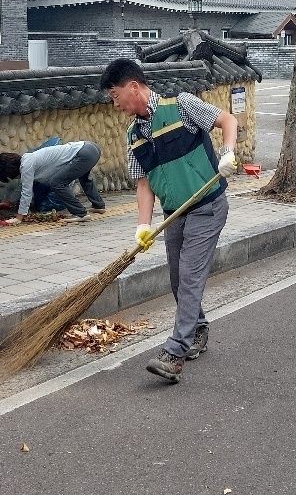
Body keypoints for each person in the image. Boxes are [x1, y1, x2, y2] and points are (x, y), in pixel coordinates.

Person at [100, 58, 238, 383]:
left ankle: (175, 353)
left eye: (115, 94)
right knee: (177, 279)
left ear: (133, 87)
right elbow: (144, 184)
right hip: (174, 213)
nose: (114, 103)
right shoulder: (133, 136)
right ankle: (199, 329)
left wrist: (229, 152)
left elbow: (227, 120)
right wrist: (142, 225)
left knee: (190, 276)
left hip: (207, 205)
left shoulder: (182, 106)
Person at [0, 141, 106, 224]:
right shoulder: (28, 160)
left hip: (83, 154)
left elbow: (26, 192)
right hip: (90, 148)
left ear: (11, 172)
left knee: (57, 183)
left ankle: (80, 213)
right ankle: (98, 205)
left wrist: (18, 218)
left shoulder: (26, 166)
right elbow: (23, 186)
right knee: (84, 177)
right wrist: (10, 201)